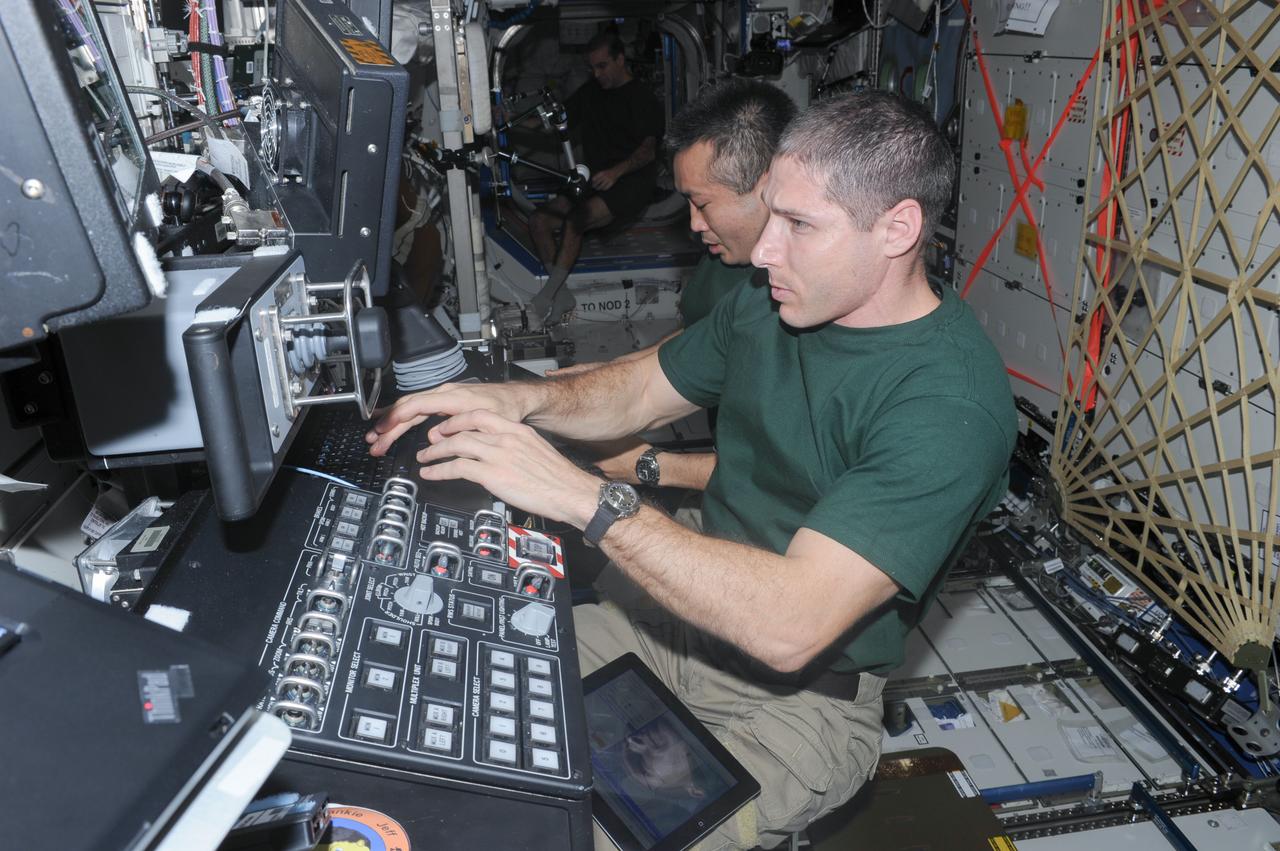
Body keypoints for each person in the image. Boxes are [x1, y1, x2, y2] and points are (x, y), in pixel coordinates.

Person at [367, 91, 1018, 849]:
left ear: (898, 228)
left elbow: (792, 624)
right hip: (671, 629)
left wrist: (580, 495)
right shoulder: (774, 300)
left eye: (800, 225)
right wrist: (512, 399)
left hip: (793, 704)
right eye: (770, 213)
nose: (766, 247)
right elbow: (640, 387)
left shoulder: (949, 406)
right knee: (445, 702)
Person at [556, 79, 797, 493]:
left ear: (766, 185)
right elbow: (697, 341)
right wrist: (595, 379)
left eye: (702, 203)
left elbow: (782, 479)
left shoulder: (799, 303)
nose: (693, 224)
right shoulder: (733, 253)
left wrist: (645, 465)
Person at [528, 32, 665, 323]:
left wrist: (616, 173)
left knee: (576, 220)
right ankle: (562, 295)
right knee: (539, 221)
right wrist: (507, 122)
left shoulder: (641, 98)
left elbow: (648, 151)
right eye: (592, 67)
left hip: (631, 181)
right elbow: (556, 122)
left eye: (603, 66)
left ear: (620, 59)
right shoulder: (591, 93)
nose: (596, 73)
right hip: (595, 179)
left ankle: (545, 297)